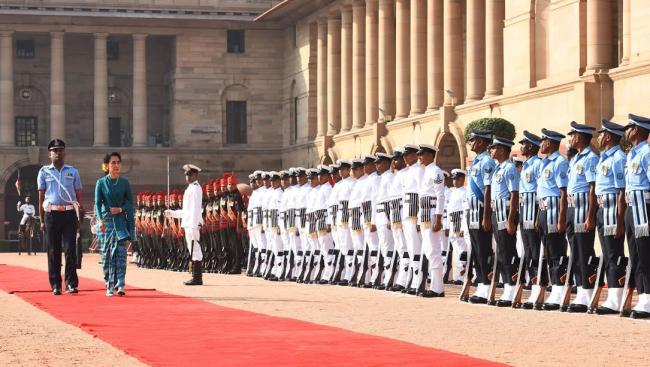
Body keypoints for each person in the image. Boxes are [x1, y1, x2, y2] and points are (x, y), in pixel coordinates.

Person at [37, 139, 83, 296]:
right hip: (52, 214)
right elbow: (41, 197)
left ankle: (71, 283)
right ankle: (55, 284)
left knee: (70, 249)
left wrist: (79, 218)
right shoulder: (44, 172)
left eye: (60, 150)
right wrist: (41, 220)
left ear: (65, 152)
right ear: (49, 154)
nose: (58, 153)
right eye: (55, 150)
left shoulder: (73, 171)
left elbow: (78, 196)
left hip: (69, 214)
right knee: (53, 250)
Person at [592, 119, 627, 315]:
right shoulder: (604, 157)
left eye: (602, 134)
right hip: (601, 208)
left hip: (613, 208)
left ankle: (616, 297)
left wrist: (620, 220)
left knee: (614, 253)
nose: (599, 137)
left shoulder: (618, 158)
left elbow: (622, 191)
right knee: (606, 251)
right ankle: (613, 294)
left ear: (610, 136)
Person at [565, 121, 599, 313]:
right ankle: (581, 289)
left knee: (584, 251)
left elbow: (592, 188)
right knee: (575, 251)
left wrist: (590, 216)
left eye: (573, 135)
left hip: (582, 208)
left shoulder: (590, 159)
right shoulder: (576, 158)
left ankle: (587, 291)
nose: (570, 139)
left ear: (581, 137)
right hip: (571, 208)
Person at [537, 129, 569, 311]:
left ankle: (559, 288)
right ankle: (554, 285)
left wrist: (561, 218)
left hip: (554, 211)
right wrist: (537, 217)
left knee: (556, 251)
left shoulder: (559, 162)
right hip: (543, 211)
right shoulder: (545, 163)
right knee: (548, 252)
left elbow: (563, 192)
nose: (541, 143)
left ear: (550, 143)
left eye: (543, 140)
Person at [94, 152, 135, 297]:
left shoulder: (124, 183)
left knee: (121, 254)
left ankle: (121, 284)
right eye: (113, 163)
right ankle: (109, 284)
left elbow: (130, 204)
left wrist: (121, 209)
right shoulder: (101, 183)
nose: (116, 165)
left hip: (120, 223)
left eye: (118, 162)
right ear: (107, 166)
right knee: (106, 255)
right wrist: (99, 220)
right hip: (106, 223)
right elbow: (98, 204)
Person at [622, 114, 650, 318]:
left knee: (646, 253)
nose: (626, 131)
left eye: (629, 127)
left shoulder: (647, 152)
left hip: (644, 207)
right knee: (635, 253)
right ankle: (643, 296)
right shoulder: (631, 153)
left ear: (638, 130)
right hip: (632, 207)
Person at [464, 130, 497, 304]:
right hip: (472, 211)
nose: (472, 143)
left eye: (475, 140)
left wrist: (486, 216)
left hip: (481, 211)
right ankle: (481, 282)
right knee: (476, 251)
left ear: (484, 142)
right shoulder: (475, 162)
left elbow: (488, 189)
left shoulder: (487, 162)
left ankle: (486, 285)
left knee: (484, 250)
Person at [487, 137, 520, 307]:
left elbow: (514, 194)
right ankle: (507, 285)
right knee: (500, 251)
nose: (490, 150)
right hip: (496, 212)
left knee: (507, 251)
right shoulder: (498, 169)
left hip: (506, 212)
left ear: (502, 149)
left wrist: (511, 220)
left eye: (493, 147)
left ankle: (511, 288)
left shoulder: (510, 168)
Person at [165, 164, 205, 286]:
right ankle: (195, 276)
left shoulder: (196, 188)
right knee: (192, 250)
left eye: (189, 174)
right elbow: (187, 211)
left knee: (195, 249)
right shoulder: (190, 188)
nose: (187, 176)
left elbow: (195, 209)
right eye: (186, 174)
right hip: (188, 223)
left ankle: (197, 277)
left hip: (192, 224)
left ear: (195, 175)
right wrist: (173, 213)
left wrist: (194, 225)